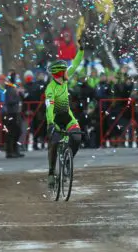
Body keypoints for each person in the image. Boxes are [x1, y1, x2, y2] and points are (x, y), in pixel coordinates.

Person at [45, 41, 84, 190]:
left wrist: (81, 49)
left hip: (67, 117)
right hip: (54, 118)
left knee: (77, 137)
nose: (69, 72)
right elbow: (49, 107)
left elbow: (75, 64)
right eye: (65, 71)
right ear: (60, 73)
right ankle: (50, 172)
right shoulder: (51, 88)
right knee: (54, 143)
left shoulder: (65, 81)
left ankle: (68, 161)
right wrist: (50, 123)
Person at [3, 78, 23, 158]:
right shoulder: (9, 90)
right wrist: (17, 98)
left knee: (16, 131)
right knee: (12, 132)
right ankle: (10, 151)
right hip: (11, 113)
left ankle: (14, 150)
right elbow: (10, 101)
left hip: (14, 112)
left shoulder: (11, 90)